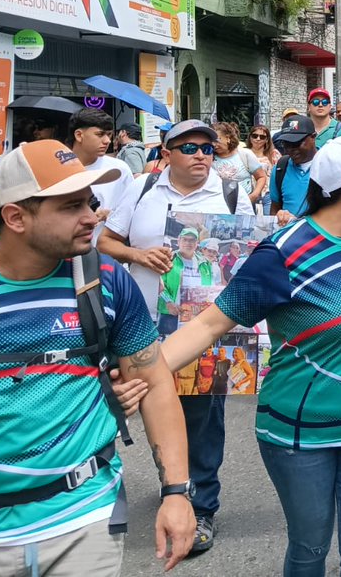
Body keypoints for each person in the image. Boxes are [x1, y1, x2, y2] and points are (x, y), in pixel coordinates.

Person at [154, 136, 341, 576]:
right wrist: (142, 377)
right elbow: (208, 325)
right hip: (298, 433)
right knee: (310, 550)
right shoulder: (285, 252)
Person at [0, 140, 194, 574]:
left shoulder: (104, 279)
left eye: (92, 202)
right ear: (16, 217)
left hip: (84, 516)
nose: (91, 217)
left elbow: (154, 383)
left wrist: (176, 492)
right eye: (70, 206)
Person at [98, 119, 253, 555]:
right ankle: (173, 485)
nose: (202, 154)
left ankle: (201, 505)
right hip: (141, 325)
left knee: (203, 416)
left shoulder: (231, 193)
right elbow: (106, 241)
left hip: (206, 326)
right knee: (146, 406)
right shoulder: (144, 190)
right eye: (189, 147)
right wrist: (138, 254)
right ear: (167, 154)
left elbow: (252, 256)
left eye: (208, 147)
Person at [67, 109, 133, 228]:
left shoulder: (119, 169)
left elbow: (132, 212)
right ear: (79, 135)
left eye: (109, 135)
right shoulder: (59, 169)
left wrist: (109, 215)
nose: (107, 141)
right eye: (100, 134)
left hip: (107, 243)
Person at [268, 116, 318, 224]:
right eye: (286, 144)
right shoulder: (280, 168)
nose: (290, 150)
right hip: (290, 237)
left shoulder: (329, 166)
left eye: (296, 143)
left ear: (313, 137)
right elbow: (275, 207)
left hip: (322, 238)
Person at [211, 122, 267, 207]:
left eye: (217, 140)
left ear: (228, 138)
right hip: (218, 206)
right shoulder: (209, 157)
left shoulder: (245, 154)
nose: (213, 144)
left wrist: (254, 195)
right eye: (211, 141)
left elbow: (261, 177)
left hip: (244, 205)